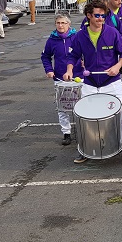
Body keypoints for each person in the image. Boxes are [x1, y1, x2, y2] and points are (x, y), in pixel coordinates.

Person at [63, 0, 122, 165]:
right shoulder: (80, 36)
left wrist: (118, 66)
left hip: (112, 83)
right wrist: (69, 70)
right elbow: (72, 56)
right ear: (89, 15)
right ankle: (84, 149)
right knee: (84, 118)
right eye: (97, 15)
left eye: (103, 16)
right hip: (90, 83)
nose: (100, 19)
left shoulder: (112, 33)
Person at [41, 14, 82, 146]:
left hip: (79, 77)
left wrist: (85, 62)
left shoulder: (77, 37)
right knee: (62, 107)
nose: (60, 25)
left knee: (81, 105)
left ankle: (84, 131)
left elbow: (86, 52)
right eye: (58, 23)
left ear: (69, 24)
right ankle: (66, 133)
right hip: (60, 77)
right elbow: (45, 56)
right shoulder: (52, 40)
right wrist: (49, 70)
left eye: (63, 23)